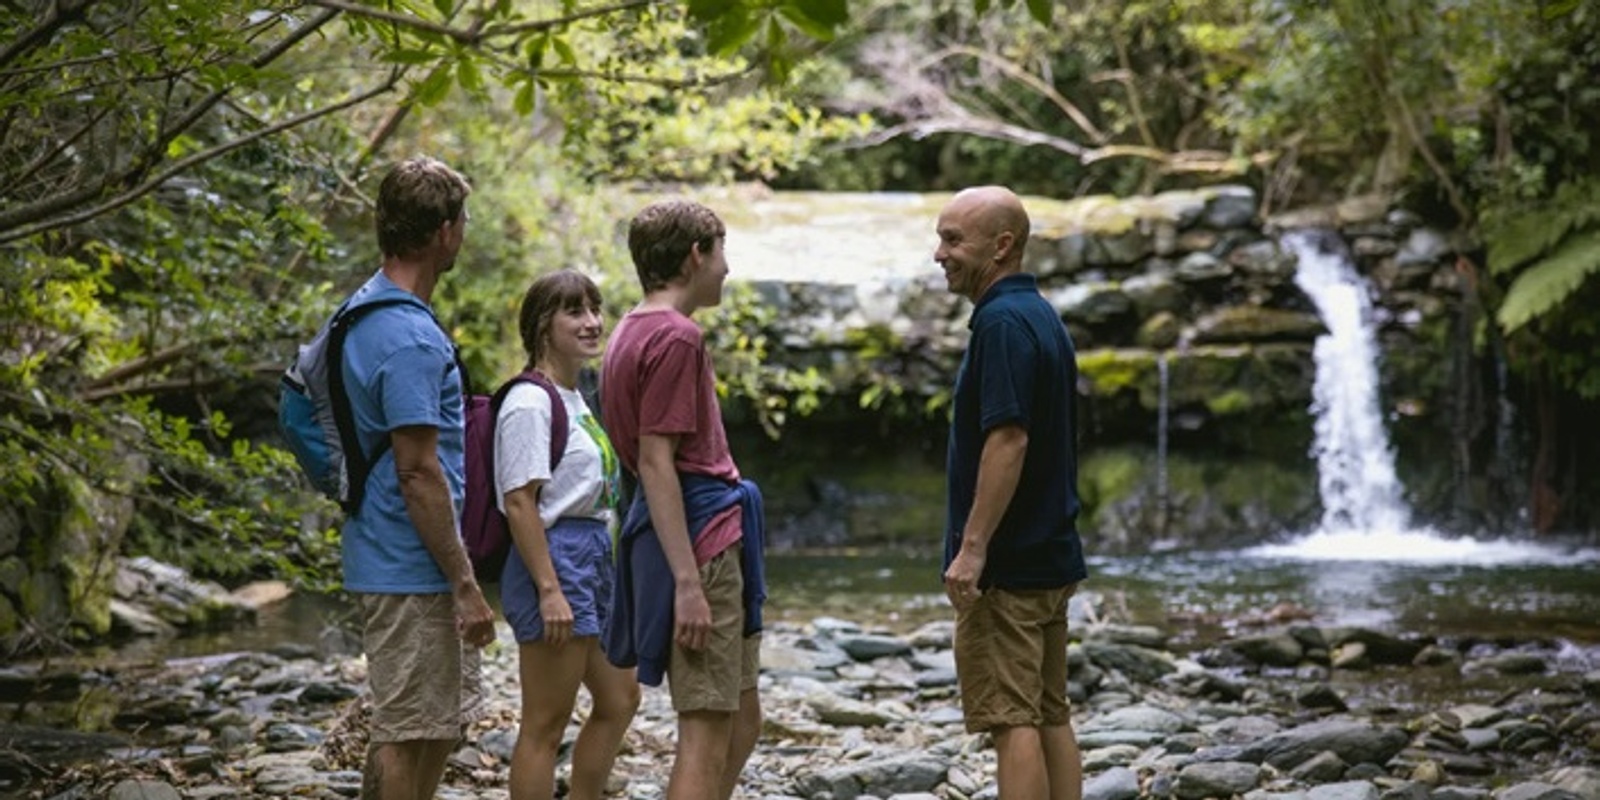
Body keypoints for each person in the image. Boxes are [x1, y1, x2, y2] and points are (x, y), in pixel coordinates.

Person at [338, 156, 496, 800]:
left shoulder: (364, 309)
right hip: (412, 560)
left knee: (429, 725)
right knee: (410, 730)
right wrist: (465, 583)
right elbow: (418, 470)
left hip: (393, 550)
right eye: (462, 221)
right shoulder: (409, 339)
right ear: (443, 233)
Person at [600, 199, 766, 800]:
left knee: (743, 720)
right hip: (702, 543)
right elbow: (653, 461)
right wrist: (688, 583)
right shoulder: (676, 337)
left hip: (706, 534)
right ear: (696, 254)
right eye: (721, 253)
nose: (726, 268)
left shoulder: (629, 329)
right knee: (705, 729)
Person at [935, 185, 1087, 800]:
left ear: (1001, 247)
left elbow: (1009, 440)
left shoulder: (1000, 322)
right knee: (1051, 712)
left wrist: (973, 550)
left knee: (1011, 719)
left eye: (953, 240)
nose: (939, 254)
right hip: (1050, 554)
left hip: (1011, 565)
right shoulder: (1041, 315)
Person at [497, 269, 640, 800]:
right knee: (545, 721)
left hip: (592, 554)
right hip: (555, 559)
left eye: (595, 309)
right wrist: (550, 588)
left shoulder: (576, 397)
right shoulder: (529, 402)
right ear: (541, 325)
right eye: (575, 312)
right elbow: (518, 501)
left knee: (620, 698)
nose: (593, 322)